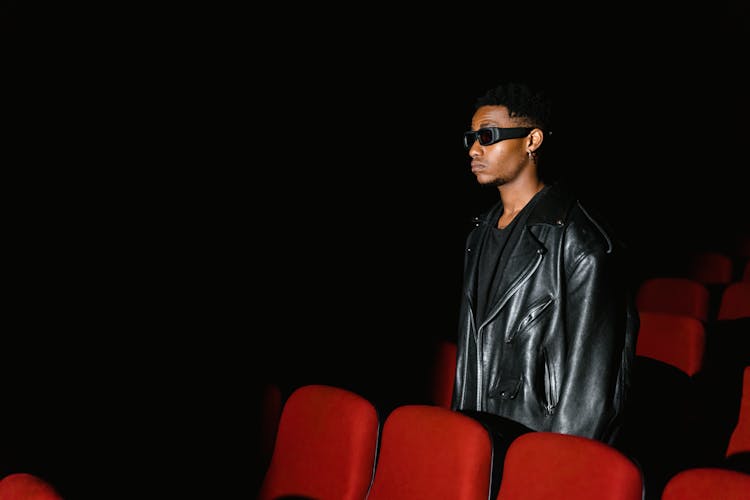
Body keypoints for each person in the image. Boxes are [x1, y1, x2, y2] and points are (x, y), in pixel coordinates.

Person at [451, 81, 639, 450]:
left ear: (532, 141)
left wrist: (553, 465)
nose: (474, 148)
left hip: (538, 446)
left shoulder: (582, 241)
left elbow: (591, 385)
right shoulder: (478, 235)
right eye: (471, 137)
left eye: (487, 135)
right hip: (480, 443)